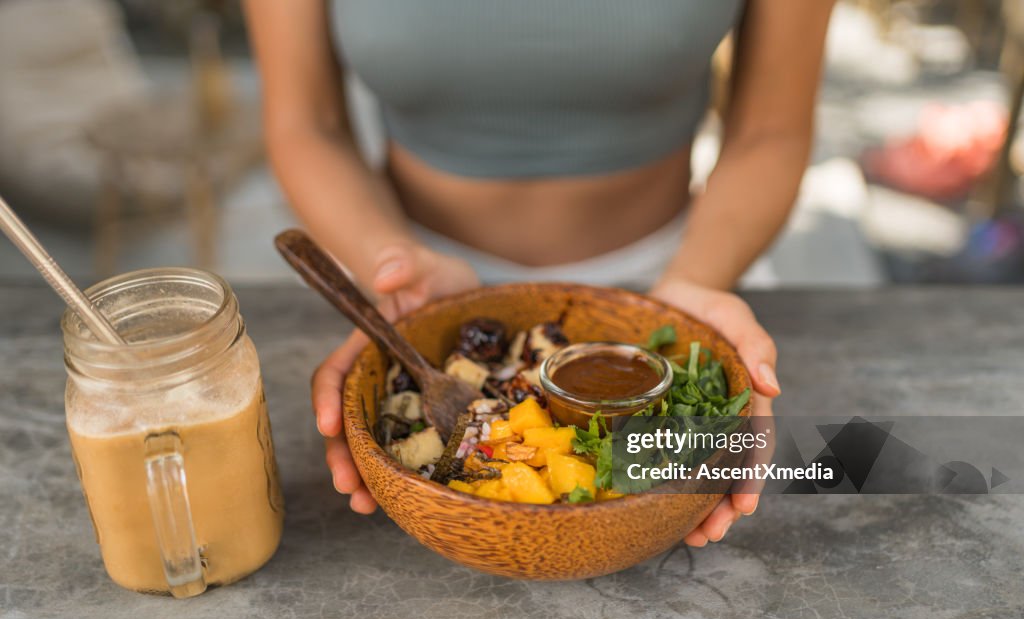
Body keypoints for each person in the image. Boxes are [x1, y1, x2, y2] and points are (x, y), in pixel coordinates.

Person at [245, 0, 834, 546]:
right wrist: (386, 262)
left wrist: (698, 283)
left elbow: (770, 129)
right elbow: (307, 123)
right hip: (416, 280)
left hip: (683, 269)